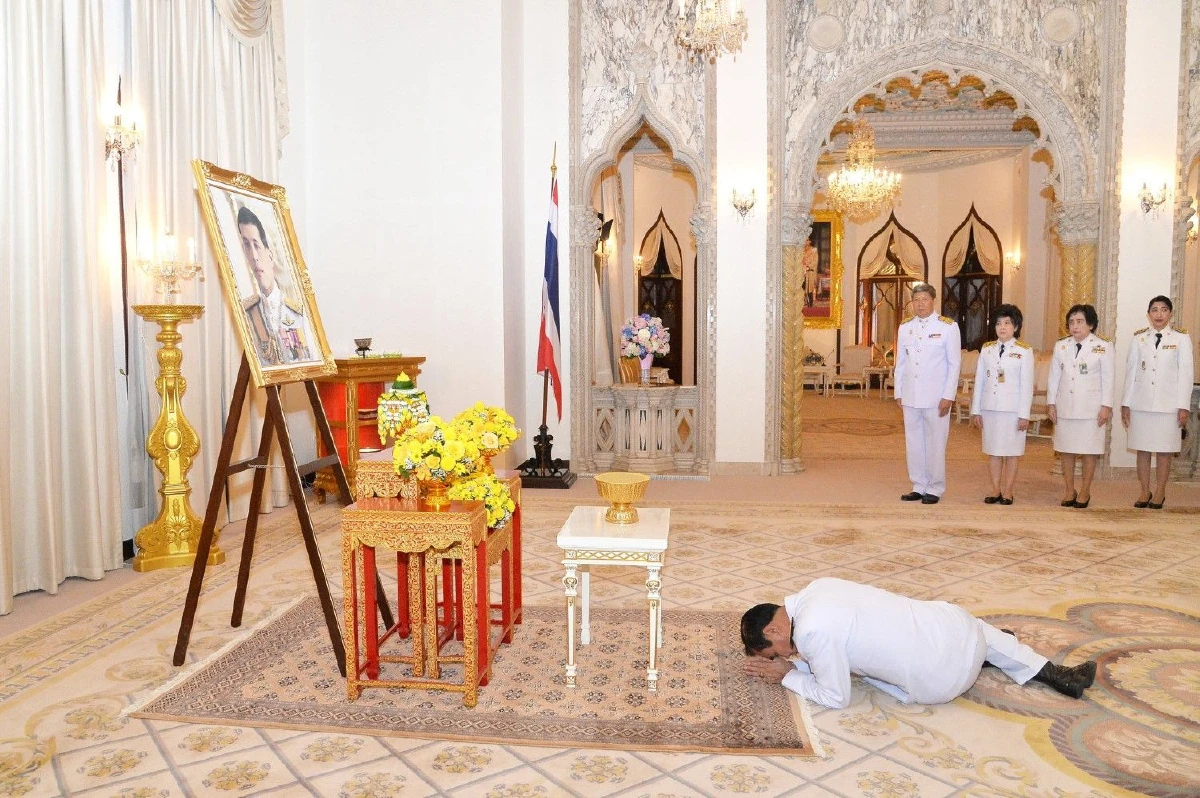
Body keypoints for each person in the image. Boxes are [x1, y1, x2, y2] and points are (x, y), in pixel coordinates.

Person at [741, 577, 1097, 710]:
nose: (784, 656)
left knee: (955, 640)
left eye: (774, 653)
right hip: (961, 631)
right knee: (971, 626)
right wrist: (796, 664)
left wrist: (787, 676)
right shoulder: (817, 588)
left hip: (942, 681)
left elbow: (836, 697)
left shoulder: (811, 633)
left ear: (773, 631)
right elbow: (833, 646)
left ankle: (987, 657)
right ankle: (1057, 675)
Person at [1120, 295, 1194, 509]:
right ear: (1149, 314)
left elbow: (1186, 375)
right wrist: (1126, 403)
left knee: (1164, 450)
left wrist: (1183, 406)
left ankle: (1160, 491)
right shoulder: (1139, 338)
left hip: (1168, 406)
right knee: (1142, 449)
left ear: (1170, 313)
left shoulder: (1181, 338)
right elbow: (1131, 372)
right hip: (1141, 404)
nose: (1159, 314)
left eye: (1163, 309)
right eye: (1154, 310)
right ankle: (1145, 490)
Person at [894, 282, 961, 504]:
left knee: (935, 443)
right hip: (911, 395)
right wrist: (898, 391)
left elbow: (954, 364)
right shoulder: (905, 327)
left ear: (933, 301)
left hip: (936, 397)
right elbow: (901, 362)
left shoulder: (948, 327)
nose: (920, 304)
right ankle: (918, 485)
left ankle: (935, 487)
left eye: (924, 299)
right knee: (913, 442)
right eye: (916, 300)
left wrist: (949, 395)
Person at [1047, 304, 1114, 509]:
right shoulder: (1061, 346)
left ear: (1090, 324)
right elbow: (1054, 377)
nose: (1075, 326)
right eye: (1071, 322)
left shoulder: (1103, 346)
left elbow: (1108, 379)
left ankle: (1085, 490)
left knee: (1089, 451)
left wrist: (1106, 406)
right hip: (1065, 407)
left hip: (1091, 409)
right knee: (1066, 449)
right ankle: (1069, 489)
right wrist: (1051, 403)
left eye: (1080, 322)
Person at [969, 304, 1034, 505]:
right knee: (993, 451)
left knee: (1012, 452)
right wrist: (976, 410)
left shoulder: (1024, 351)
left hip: (1013, 411)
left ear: (1016, 327)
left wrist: (1024, 415)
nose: (1002, 327)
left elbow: (1027, 386)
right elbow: (979, 381)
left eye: (1007, 323)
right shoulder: (987, 349)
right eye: (998, 323)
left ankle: (1008, 491)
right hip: (990, 409)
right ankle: (995, 489)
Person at [237, 205, 313, 366]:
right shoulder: (247, 311)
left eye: (256, 245)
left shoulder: (297, 312)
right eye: (247, 245)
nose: (254, 256)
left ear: (270, 256)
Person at [801, 241, 819, 308]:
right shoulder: (801, 250)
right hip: (802, 272)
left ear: (809, 241)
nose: (805, 242)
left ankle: (810, 306)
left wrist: (808, 267)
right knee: (801, 289)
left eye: (806, 240)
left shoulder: (814, 250)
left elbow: (815, 262)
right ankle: (802, 305)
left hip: (810, 272)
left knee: (809, 290)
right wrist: (803, 267)